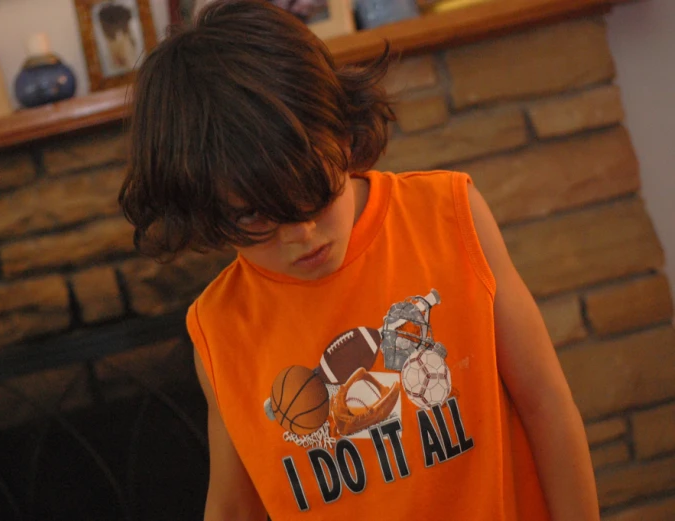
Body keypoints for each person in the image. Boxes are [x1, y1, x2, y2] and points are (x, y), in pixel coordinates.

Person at [118, 0, 600, 519]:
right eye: (257, 218)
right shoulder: (219, 329)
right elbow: (235, 507)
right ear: (206, 213)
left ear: (342, 133)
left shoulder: (449, 215)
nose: (302, 235)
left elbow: (546, 403)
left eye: (315, 190)